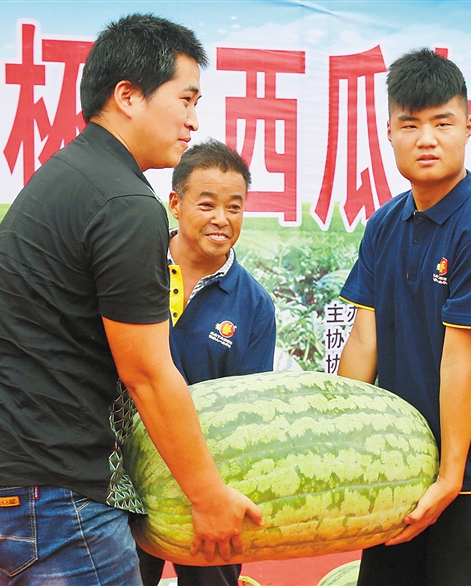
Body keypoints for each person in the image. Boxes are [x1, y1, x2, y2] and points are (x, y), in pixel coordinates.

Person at [0, 14, 262, 585]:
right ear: (128, 96)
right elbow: (147, 373)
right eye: (185, 99)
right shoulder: (124, 203)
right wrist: (208, 495)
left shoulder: (72, 173)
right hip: (46, 489)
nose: (193, 120)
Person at [338, 49, 471, 586]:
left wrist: (450, 479)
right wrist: (339, 438)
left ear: (469, 125)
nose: (426, 139)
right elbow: (364, 342)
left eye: (442, 123)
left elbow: (458, 365)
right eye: (410, 124)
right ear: (389, 132)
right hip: (403, 458)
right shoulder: (383, 224)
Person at [136, 140, 276, 585]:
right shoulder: (131, 267)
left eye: (234, 207)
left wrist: (211, 492)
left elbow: (247, 416)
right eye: (207, 203)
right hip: (123, 479)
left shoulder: (254, 305)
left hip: (210, 485)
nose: (222, 218)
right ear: (175, 204)